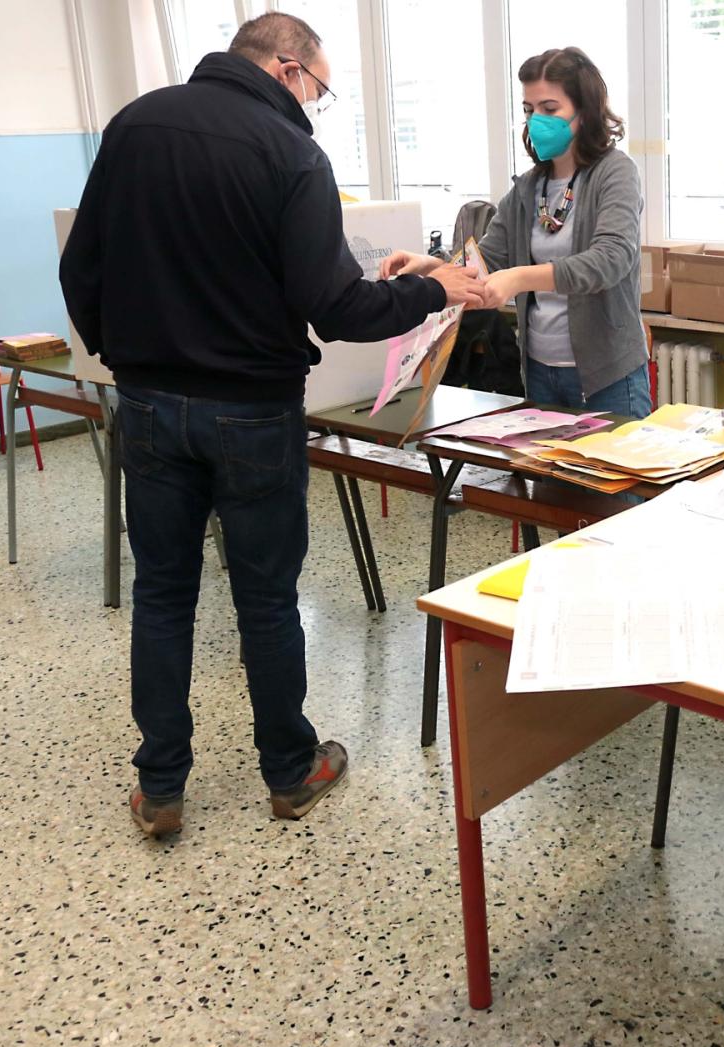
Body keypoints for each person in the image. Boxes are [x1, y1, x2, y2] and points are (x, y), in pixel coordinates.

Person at [58, 13, 489, 838]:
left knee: (162, 593)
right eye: (320, 88)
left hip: (147, 405)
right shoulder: (291, 153)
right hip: (252, 410)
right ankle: (290, 772)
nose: (316, 105)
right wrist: (437, 290)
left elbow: (81, 266)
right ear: (289, 69)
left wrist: (124, 353)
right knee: (264, 600)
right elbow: (335, 307)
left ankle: (161, 787)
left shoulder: (134, 124)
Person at [381, 47, 651, 417]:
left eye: (550, 109)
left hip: (606, 379)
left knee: (612, 475)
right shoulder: (528, 188)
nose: (536, 120)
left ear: (585, 111)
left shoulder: (614, 172)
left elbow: (610, 261)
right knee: (545, 476)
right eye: (529, 110)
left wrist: (521, 278)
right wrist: (430, 265)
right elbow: (486, 260)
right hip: (540, 373)